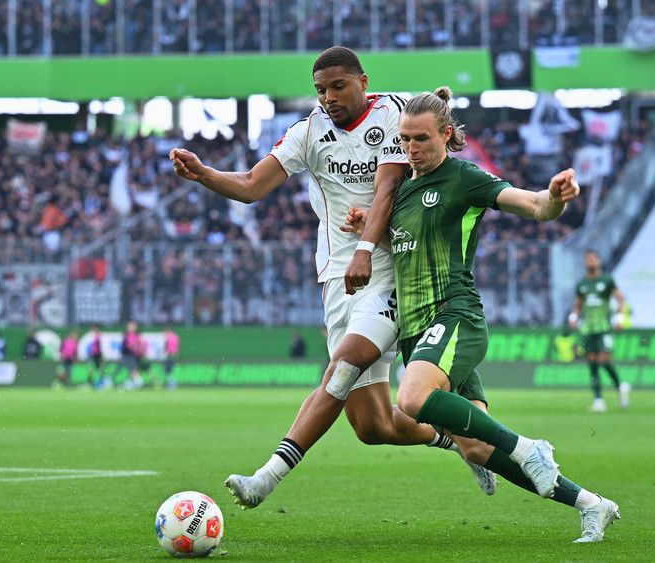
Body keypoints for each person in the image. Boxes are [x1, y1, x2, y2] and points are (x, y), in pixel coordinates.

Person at [170, 46, 494, 510]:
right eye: (321, 90)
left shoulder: (392, 113)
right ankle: (458, 439)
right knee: (373, 426)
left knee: (343, 366)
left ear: (363, 81)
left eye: (338, 86)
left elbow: (386, 189)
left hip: (388, 272)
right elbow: (251, 186)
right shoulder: (308, 131)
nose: (328, 97)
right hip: (338, 281)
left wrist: (365, 250)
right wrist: (204, 174)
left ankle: (266, 478)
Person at [345, 87, 620, 543]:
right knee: (474, 447)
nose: (411, 148)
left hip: (454, 315)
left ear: (445, 134)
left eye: (421, 138)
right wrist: (372, 233)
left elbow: (534, 206)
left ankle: (529, 448)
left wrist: (555, 197)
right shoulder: (403, 191)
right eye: (405, 139)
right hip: (417, 332)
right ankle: (592, 505)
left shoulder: (463, 177)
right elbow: (411, 250)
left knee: (411, 400)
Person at [569, 250, 631, 413]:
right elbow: (577, 305)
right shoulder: (582, 284)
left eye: (593, 259)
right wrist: (573, 316)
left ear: (598, 261)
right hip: (587, 329)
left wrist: (619, 317)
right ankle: (598, 400)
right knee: (592, 363)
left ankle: (620, 388)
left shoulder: (607, 280)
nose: (590, 262)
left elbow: (620, 299)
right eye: (587, 259)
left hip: (603, 328)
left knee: (604, 360)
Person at [163, 325, 180, 390]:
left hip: (169, 355)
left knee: (167, 371)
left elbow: (165, 345)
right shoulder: (176, 336)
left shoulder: (166, 336)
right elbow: (178, 347)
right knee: (169, 370)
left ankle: (172, 384)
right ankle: (171, 384)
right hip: (173, 355)